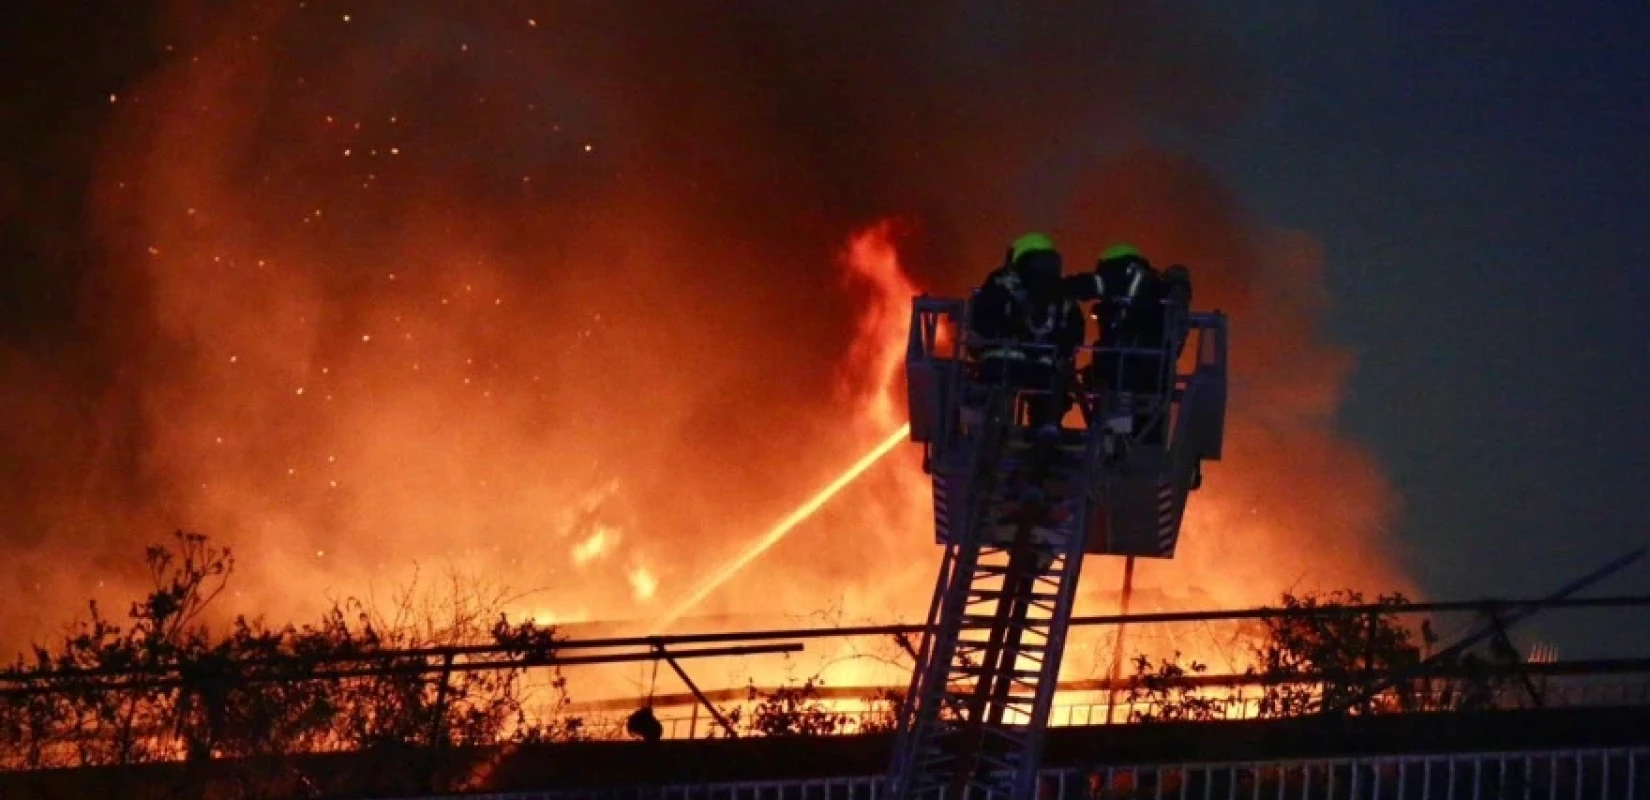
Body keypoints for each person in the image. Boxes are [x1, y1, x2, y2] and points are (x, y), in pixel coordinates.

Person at [1067, 243, 1193, 446]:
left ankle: (1115, 449)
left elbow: (1091, 285)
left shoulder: (1127, 275)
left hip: (1124, 374)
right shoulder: (1155, 289)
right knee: (1146, 438)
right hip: (1153, 378)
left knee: (1116, 432)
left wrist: (1057, 287)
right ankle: (1133, 453)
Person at [966, 232, 1086, 430]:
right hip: (1045, 371)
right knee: (1051, 395)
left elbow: (979, 319)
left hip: (1000, 365)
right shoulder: (1062, 290)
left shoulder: (999, 281)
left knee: (989, 399)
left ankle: (992, 430)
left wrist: (981, 346)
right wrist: (1061, 354)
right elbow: (1075, 332)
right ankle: (1046, 429)